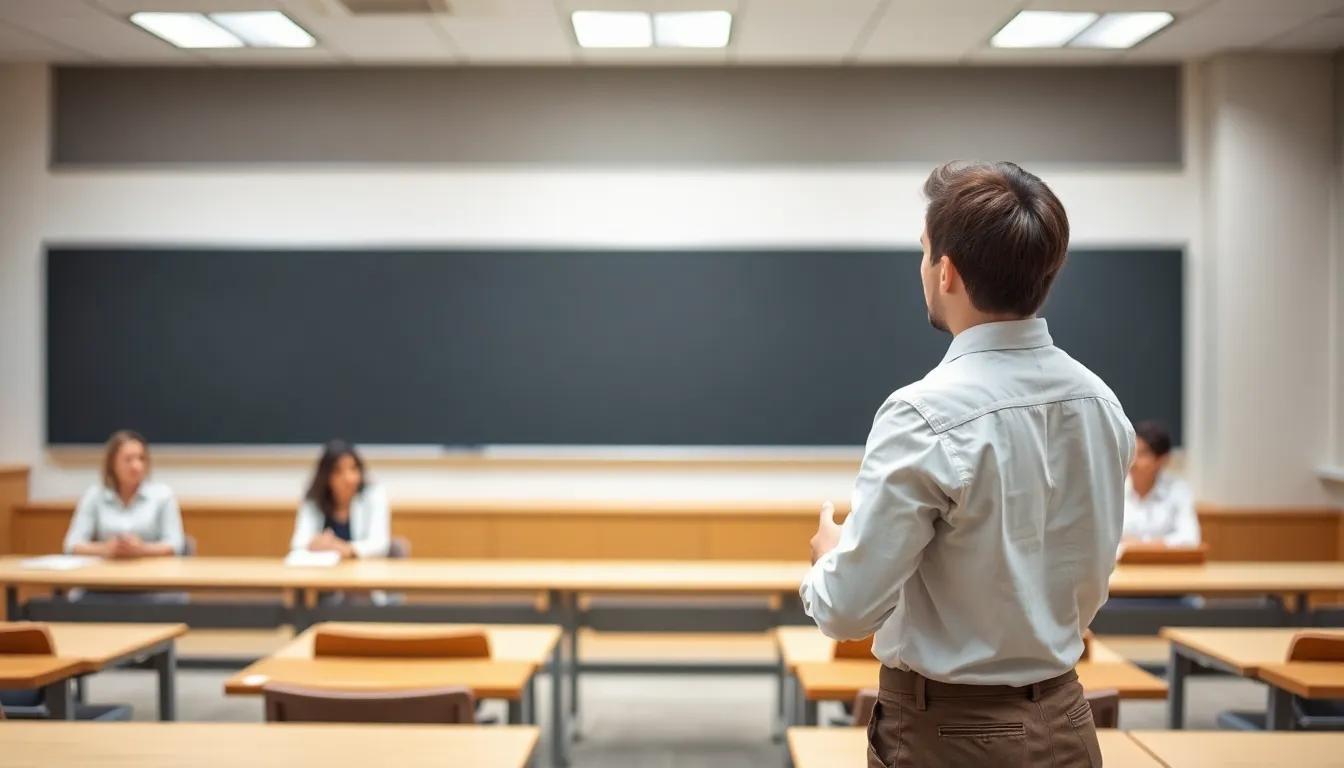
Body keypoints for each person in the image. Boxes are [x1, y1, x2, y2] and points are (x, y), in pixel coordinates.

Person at [801, 161, 1134, 767]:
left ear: (946, 271)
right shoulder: (1102, 406)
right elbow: (1085, 574)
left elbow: (847, 611)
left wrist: (830, 560)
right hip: (1067, 716)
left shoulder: (923, 414)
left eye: (925, 251)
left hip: (949, 733)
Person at [64, 429, 185, 558]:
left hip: (151, 572)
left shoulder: (162, 495)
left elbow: (176, 545)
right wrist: (105, 548)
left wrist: (142, 549)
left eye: (141, 459)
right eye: (128, 459)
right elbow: (72, 545)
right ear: (112, 463)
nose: (136, 466)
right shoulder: (95, 495)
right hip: (106, 571)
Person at [290, 440, 390, 560]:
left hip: (362, 572)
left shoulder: (372, 495)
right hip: (321, 574)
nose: (348, 478)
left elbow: (380, 544)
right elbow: (298, 543)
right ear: (326, 476)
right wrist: (315, 543)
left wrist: (345, 548)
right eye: (339, 471)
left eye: (353, 469)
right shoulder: (315, 498)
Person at [1123, 420, 1200, 547]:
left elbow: (1190, 538)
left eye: (1142, 454)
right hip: (1121, 565)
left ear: (1162, 459)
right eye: (1131, 452)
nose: (1133, 461)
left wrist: (1143, 545)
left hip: (1166, 565)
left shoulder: (1178, 489)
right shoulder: (1114, 491)